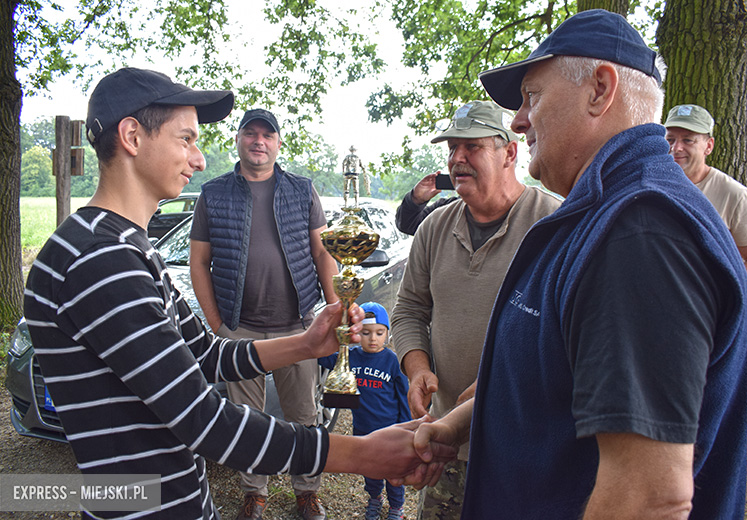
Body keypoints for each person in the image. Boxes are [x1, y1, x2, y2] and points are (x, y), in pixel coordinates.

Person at [22, 68, 456, 520]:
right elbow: (202, 419)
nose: (198, 158)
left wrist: (306, 343)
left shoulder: (127, 246)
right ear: (132, 136)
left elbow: (208, 355)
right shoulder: (100, 259)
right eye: (186, 139)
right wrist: (362, 454)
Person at [409, 10, 747, 519]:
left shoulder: (639, 232)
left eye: (533, 96)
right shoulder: (603, 214)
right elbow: (559, 370)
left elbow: (649, 497)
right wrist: (459, 424)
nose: (519, 121)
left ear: (600, 88)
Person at [391, 99, 562, 519]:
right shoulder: (434, 226)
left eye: (472, 147)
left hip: (524, 444)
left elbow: (564, 337)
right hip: (446, 441)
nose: (457, 159)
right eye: (452, 148)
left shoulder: (553, 224)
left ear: (510, 153)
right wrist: (417, 368)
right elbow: (409, 308)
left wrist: (497, 381)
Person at [189, 108, 339, 520]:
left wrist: (333, 305)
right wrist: (218, 325)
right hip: (241, 331)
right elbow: (198, 263)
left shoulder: (301, 189)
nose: (259, 141)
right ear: (238, 140)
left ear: (277, 142)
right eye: (250, 133)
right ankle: (254, 493)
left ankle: (307, 492)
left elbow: (321, 251)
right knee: (246, 421)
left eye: (267, 135)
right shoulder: (213, 193)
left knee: (304, 415)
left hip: (298, 328)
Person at [318, 302, 411, 520]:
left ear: (387, 333)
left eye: (379, 333)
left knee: (394, 471)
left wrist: (407, 426)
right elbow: (323, 358)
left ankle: (397, 506)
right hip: (363, 428)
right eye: (366, 333)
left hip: (391, 428)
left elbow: (403, 396)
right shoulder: (351, 356)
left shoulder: (393, 361)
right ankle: (374, 499)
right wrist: (336, 333)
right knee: (370, 469)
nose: (373, 339)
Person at [664, 103, 747, 287]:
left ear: (709, 146)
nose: (676, 148)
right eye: (670, 139)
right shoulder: (650, 186)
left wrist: (721, 294)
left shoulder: (734, 195)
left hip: (704, 312)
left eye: (688, 140)